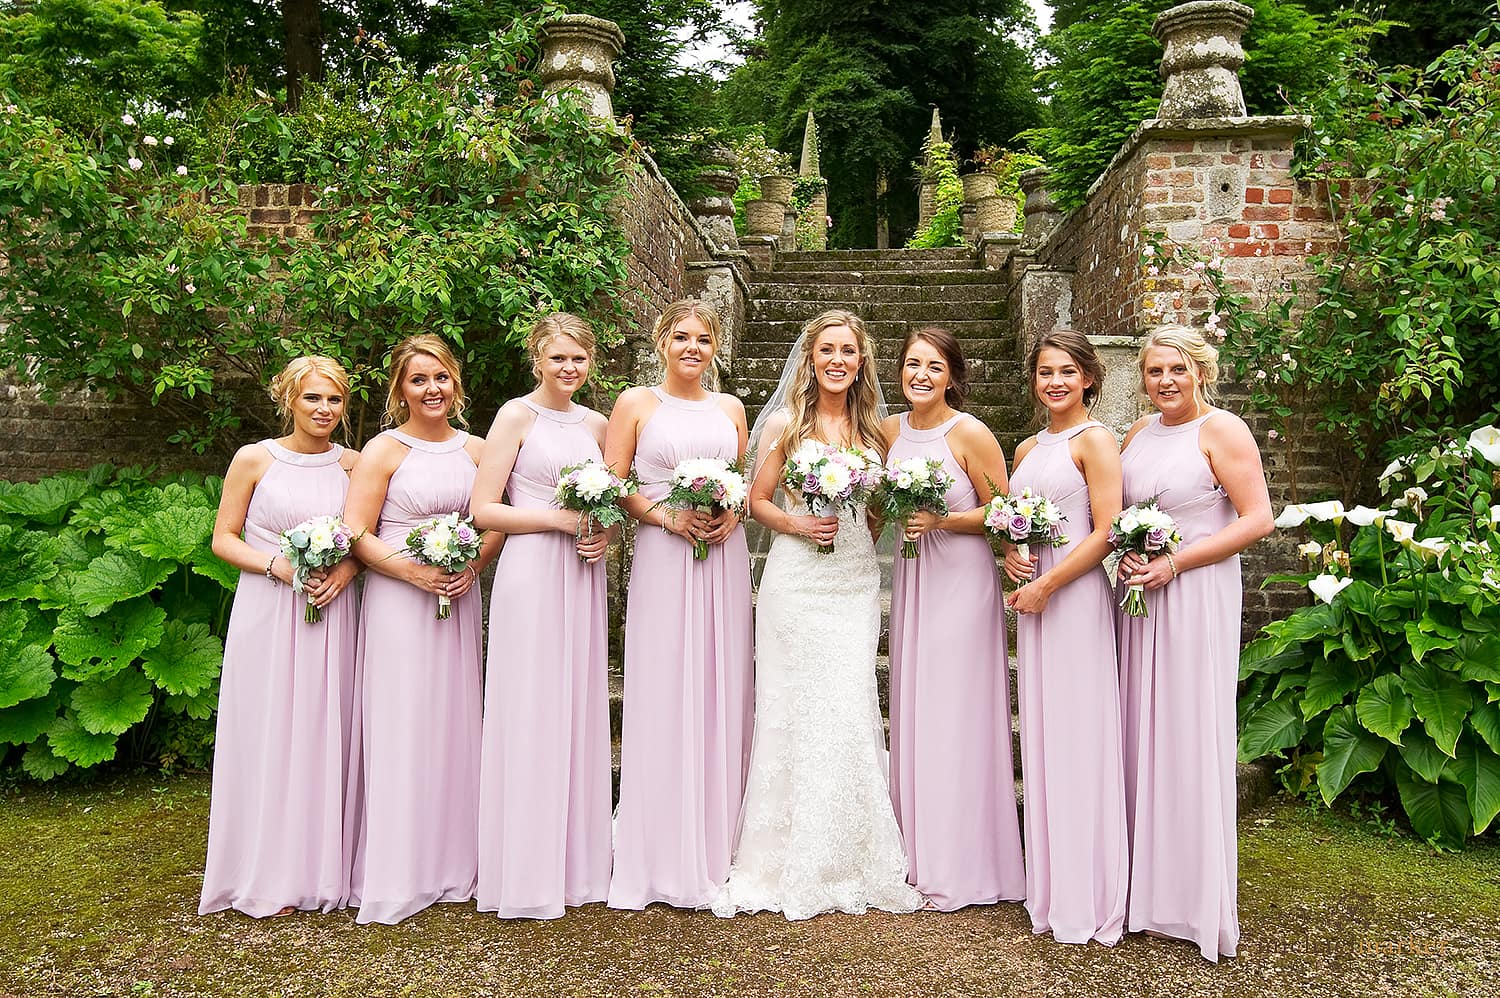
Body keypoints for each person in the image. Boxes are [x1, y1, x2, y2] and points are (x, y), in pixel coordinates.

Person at [712, 308, 922, 920]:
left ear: (862, 362)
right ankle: (783, 855)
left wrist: (867, 531)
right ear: (810, 358)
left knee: (850, 700)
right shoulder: (784, 422)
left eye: (848, 352)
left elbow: (884, 502)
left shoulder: (875, 433)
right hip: (797, 578)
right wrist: (799, 522)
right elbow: (755, 501)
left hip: (853, 580)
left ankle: (849, 851)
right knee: (793, 704)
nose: (837, 360)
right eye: (826, 350)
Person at [1116, 325, 1273, 962]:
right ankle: (1142, 888)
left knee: (1186, 730)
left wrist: (1174, 565)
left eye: (1177, 369)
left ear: (1200, 369)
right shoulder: (1134, 435)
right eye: (1155, 372)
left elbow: (1258, 517)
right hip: (1137, 597)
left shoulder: (1224, 430)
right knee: (1139, 731)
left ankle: (1191, 899)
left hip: (1194, 592)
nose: (1166, 382)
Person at [343, 335, 502, 925]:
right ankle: (397, 868)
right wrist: (411, 571)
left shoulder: (480, 450)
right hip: (397, 600)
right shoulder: (384, 450)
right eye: (418, 380)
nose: (431, 389)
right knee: (401, 721)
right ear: (400, 390)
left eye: (441, 378)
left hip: (457, 598)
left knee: (454, 722)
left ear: (455, 384)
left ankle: (453, 864)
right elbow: (355, 530)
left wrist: (473, 565)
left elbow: (493, 521)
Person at [605, 300, 754, 910]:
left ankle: (720, 838)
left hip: (723, 552)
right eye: (681, 337)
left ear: (715, 347)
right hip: (665, 555)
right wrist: (668, 517)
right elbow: (615, 484)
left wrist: (730, 513)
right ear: (661, 341)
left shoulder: (732, 409)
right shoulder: (635, 404)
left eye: (704, 338)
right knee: (664, 682)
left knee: (721, 682)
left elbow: (741, 480)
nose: (692, 347)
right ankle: (662, 843)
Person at [200, 356, 361, 918]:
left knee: (325, 728)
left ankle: (323, 866)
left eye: (334, 400)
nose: (324, 410)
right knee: (270, 728)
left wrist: (343, 572)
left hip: (332, 611)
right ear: (289, 399)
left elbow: (364, 538)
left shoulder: (354, 464)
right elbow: (224, 539)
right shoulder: (254, 459)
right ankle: (265, 869)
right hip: (269, 608)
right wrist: (280, 568)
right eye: (313, 398)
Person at [470, 314, 613, 919]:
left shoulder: (599, 424)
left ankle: (578, 867)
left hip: (582, 574)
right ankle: (524, 870)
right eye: (558, 359)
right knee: (530, 705)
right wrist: (556, 519)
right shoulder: (514, 416)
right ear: (537, 360)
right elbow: (484, 510)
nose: (569, 370)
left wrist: (601, 532)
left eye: (578, 359)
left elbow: (607, 500)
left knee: (578, 705)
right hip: (530, 571)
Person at [882, 327, 1026, 911]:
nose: (921, 375)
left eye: (934, 366)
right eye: (912, 364)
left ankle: (967, 858)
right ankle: (914, 850)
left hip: (962, 579)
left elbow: (1007, 512)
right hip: (914, 576)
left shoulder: (970, 433)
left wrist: (942, 521)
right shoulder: (889, 430)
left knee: (957, 707)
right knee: (916, 704)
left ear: (953, 376)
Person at [1003, 329, 1128, 946]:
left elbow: (1106, 531)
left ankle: (1090, 890)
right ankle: (1050, 886)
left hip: (1073, 597)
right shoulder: (1027, 445)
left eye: (1066, 372)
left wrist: (1049, 583)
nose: (1054, 382)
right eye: (1044, 372)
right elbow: (1016, 522)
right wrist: (1013, 556)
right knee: (1047, 730)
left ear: (1088, 380)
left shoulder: (1095, 441)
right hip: (1037, 595)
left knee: (1079, 731)